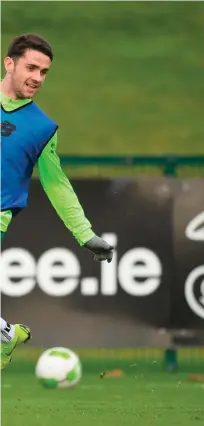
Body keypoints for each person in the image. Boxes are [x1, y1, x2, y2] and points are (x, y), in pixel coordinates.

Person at [0, 33, 114, 369]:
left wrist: (85, 233)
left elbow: (56, 184)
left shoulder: (42, 127)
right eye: (31, 67)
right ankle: (7, 334)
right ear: (9, 63)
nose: (37, 77)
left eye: (44, 71)